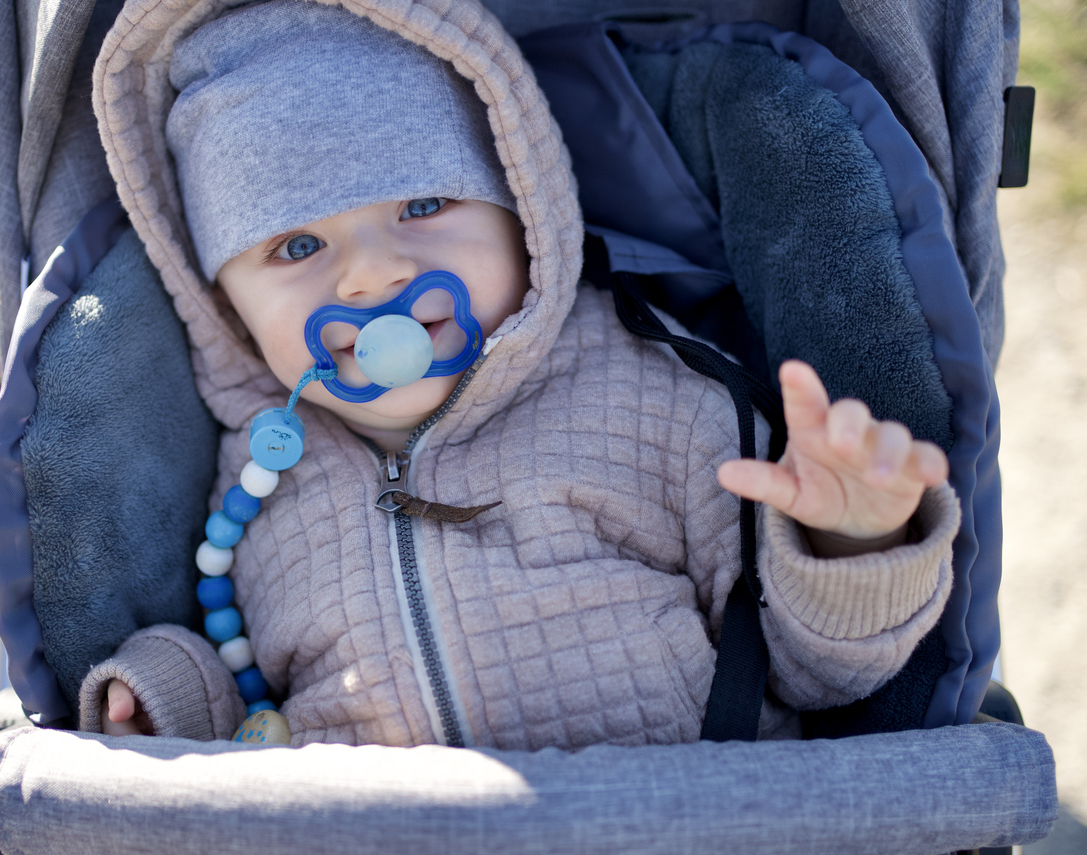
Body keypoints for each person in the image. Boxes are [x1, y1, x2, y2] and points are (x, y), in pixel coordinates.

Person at [79, 0, 959, 749]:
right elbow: (255, 717)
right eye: (296, 247)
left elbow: (817, 676)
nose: (371, 276)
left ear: (525, 213)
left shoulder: (665, 403)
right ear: (225, 305)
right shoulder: (247, 484)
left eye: (424, 204)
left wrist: (851, 542)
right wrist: (171, 696)